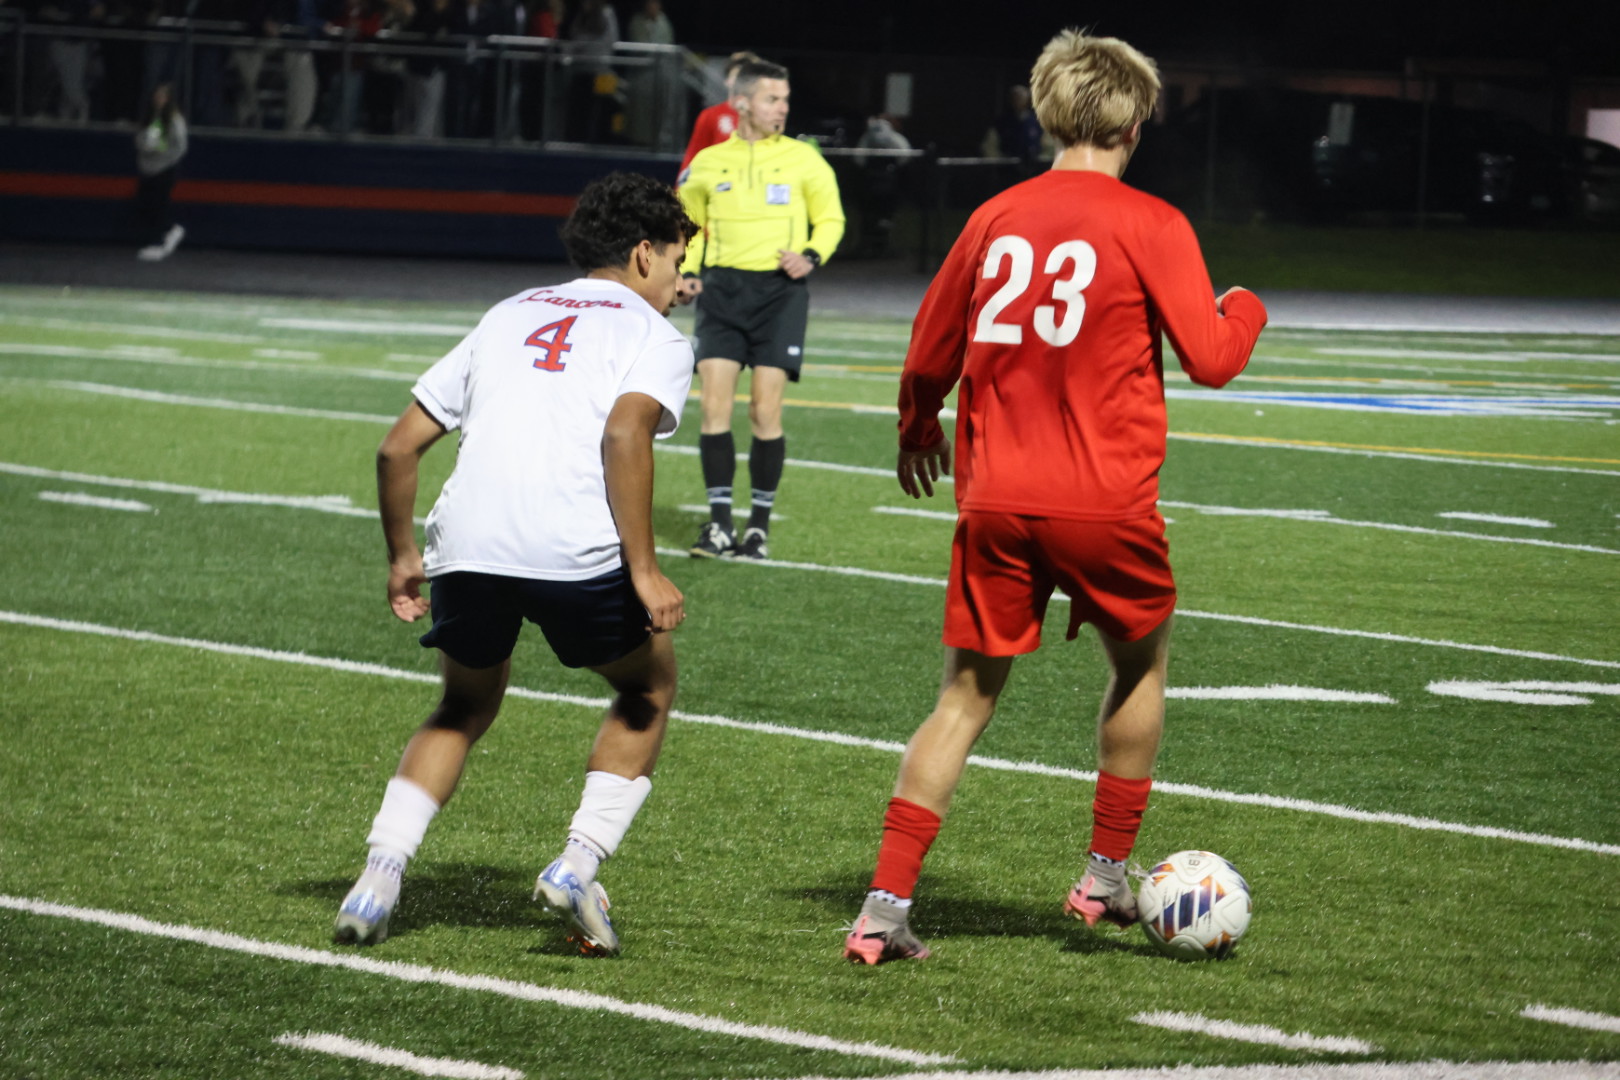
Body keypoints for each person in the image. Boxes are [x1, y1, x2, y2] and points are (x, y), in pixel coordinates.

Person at [842, 29, 1268, 965]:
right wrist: (1248, 306)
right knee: (1140, 666)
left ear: (1043, 111)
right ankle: (1106, 876)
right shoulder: (1152, 221)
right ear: (1138, 120)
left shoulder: (995, 213)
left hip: (994, 498)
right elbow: (1214, 358)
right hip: (1106, 500)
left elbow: (928, 346)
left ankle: (882, 908)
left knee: (963, 697)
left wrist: (920, 425)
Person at [333, 171, 700, 957]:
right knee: (647, 686)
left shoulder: (508, 312)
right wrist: (644, 569)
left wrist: (404, 555)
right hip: (575, 550)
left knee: (462, 707)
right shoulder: (656, 336)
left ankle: (378, 876)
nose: (679, 282)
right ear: (642, 254)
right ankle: (577, 863)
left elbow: (398, 446)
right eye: (674, 261)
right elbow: (625, 437)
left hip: (466, 545)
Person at [675, 59, 845, 561]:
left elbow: (831, 218)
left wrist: (811, 255)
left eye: (786, 100)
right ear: (743, 103)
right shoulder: (707, 163)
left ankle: (758, 529)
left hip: (779, 294)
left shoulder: (804, 159)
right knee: (713, 408)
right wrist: (686, 271)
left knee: (764, 410)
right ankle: (721, 525)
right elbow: (688, 226)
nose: (783, 109)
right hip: (721, 293)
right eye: (773, 99)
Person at [675, 50, 757, 179]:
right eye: (736, 76)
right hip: (717, 184)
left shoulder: (762, 118)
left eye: (746, 77)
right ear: (727, 80)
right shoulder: (711, 115)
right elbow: (693, 156)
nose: (741, 82)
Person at [133, 80, 186, 262]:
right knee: (146, 206)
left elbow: (179, 147)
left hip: (164, 170)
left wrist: (163, 157)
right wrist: (147, 147)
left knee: (158, 207)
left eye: (163, 95)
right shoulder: (153, 117)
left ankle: (159, 242)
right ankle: (162, 236)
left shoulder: (174, 120)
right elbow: (142, 141)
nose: (159, 99)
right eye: (157, 95)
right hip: (149, 169)